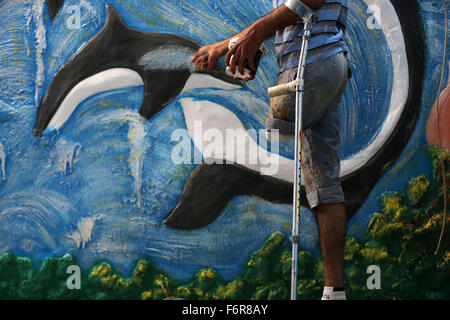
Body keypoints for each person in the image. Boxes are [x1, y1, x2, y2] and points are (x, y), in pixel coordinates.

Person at [192, 0, 349, 300]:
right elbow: (285, 17)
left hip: (310, 65)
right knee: (323, 183)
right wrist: (224, 47)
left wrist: (253, 37)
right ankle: (334, 292)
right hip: (331, 60)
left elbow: (309, 2)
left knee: (272, 134)